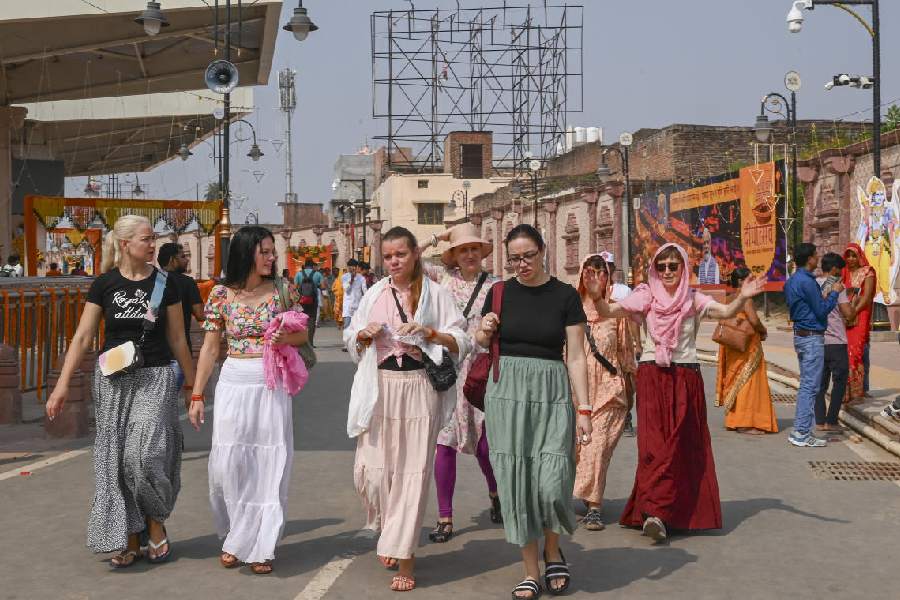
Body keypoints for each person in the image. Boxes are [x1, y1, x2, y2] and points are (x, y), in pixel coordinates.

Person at [44, 215, 195, 568]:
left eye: (154, 237)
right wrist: (62, 384)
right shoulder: (105, 284)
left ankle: (155, 521)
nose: (153, 244)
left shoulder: (165, 284)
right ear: (125, 244)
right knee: (115, 462)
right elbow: (82, 336)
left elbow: (177, 338)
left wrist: (192, 385)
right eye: (146, 238)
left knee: (141, 457)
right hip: (113, 379)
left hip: (155, 375)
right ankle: (129, 534)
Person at [594, 243, 765, 542]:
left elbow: (724, 310)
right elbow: (609, 310)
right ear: (654, 270)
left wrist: (743, 297)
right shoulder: (645, 296)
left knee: (679, 446)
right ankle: (656, 513)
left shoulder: (693, 298)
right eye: (662, 266)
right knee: (654, 446)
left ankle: (666, 511)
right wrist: (597, 294)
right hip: (651, 375)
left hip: (685, 376)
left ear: (684, 267)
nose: (668, 271)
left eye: (674, 265)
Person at [345, 226, 470, 592]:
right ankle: (389, 527)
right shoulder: (373, 294)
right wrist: (363, 334)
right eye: (388, 256)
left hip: (419, 389)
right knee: (372, 471)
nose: (394, 262)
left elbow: (460, 338)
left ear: (415, 253)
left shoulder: (436, 294)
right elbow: (350, 336)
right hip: (380, 387)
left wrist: (430, 333)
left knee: (412, 473)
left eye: (400, 254)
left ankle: (405, 557)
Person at [476, 224, 592, 599]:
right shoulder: (498, 293)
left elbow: (575, 356)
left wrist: (585, 407)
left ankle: (553, 549)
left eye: (528, 255)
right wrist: (484, 329)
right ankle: (530, 570)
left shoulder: (565, 296)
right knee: (517, 484)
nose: (522, 264)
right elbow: (480, 343)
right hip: (506, 394)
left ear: (544, 251)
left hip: (552, 390)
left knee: (553, 480)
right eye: (514, 258)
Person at [193, 226, 309, 575]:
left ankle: (262, 545)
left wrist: (282, 337)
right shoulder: (220, 295)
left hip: (270, 383)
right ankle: (235, 536)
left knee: (269, 463)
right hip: (232, 381)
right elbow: (211, 347)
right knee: (229, 464)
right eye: (266, 251)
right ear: (246, 253)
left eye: (273, 251)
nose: (272, 257)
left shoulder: (282, 290)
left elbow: (303, 334)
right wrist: (197, 394)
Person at [418, 224, 501, 544]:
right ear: (453, 255)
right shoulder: (443, 279)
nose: (469, 254)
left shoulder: (496, 285)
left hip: (483, 370)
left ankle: (496, 494)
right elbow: (409, 258)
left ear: (482, 253)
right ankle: (444, 516)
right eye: (463, 249)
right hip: (448, 370)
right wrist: (440, 237)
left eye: (474, 249)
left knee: (485, 444)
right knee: (444, 443)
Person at [573, 255, 636, 532]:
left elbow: (625, 354)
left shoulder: (616, 312)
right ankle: (588, 497)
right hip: (578, 390)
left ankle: (595, 506)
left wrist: (631, 392)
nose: (594, 277)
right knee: (580, 448)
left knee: (596, 447)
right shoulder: (571, 310)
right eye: (589, 272)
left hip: (610, 390)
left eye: (600, 272)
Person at [783, 243, 841, 448]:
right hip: (812, 337)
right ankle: (801, 432)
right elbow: (821, 311)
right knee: (810, 386)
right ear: (809, 259)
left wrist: (822, 296)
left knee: (807, 384)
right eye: (816, 255)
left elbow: (805, 306)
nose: (818, 258)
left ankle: (800, 429)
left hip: (801, 334)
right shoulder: (808, 282)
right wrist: (834, 293)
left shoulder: (792, 281)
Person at [715, 267, 778, 435]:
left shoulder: (728, 298)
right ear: (742, 282)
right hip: (747, 345)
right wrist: (763, 330)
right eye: (749, 279)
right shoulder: (746, 299)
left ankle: (735, 419)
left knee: (735, 378)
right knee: (748, 382)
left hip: (731, 345)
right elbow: (754, 320)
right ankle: (745, 422)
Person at [816, 253, 856, 433]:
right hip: (836, 342)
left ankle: (819, 421)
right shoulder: (837, 286)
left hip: (816, 340)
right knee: (839, 382)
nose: (841, 274)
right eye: (839, 270)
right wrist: (852, 300)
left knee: (820, 383)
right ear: (833, 269)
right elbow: (848, 313)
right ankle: (831, 420)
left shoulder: (812, 285)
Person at [158, 243, 204, 388]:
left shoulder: (155, 280)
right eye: (183, 256)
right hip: (178, 355)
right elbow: (200, 314)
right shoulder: (186, 282)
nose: (187, 260)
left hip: (155, 354)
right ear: (172, 260)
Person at [842, 243, 876, 404]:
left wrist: (853, 312)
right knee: (846, 351)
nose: (850, 259)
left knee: (856, 350)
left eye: (854, 255)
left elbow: (867, 297)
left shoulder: (867, 272)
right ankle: (847, 392)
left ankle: (857, 393)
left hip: (860, 314)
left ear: (860, 256)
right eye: (848, 255)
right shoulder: (844, 272)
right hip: (845, 315)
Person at [295, 259, 324, 347]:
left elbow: (294, 287)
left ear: (305, 265)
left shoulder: (299, 274)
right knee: (311, 321)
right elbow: (323, 286)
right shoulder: (318, 274)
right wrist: (316, 285)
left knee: (301, 321)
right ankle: (310, 342)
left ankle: (301, 341)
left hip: (301, 301)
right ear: (312, 266)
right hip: (313, 301)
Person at [341, 259, 367, 328]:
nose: (352, 268)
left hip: (358, 305)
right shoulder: (344, 277)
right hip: (348, 305)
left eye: (354, 266)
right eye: (350, 267)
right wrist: (351, 280)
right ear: (348, 267)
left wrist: (366, 301)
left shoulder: (361, 278)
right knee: (347, 326)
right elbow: (347, 290)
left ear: (356, 267)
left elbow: (365, 291)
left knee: (357, 327)